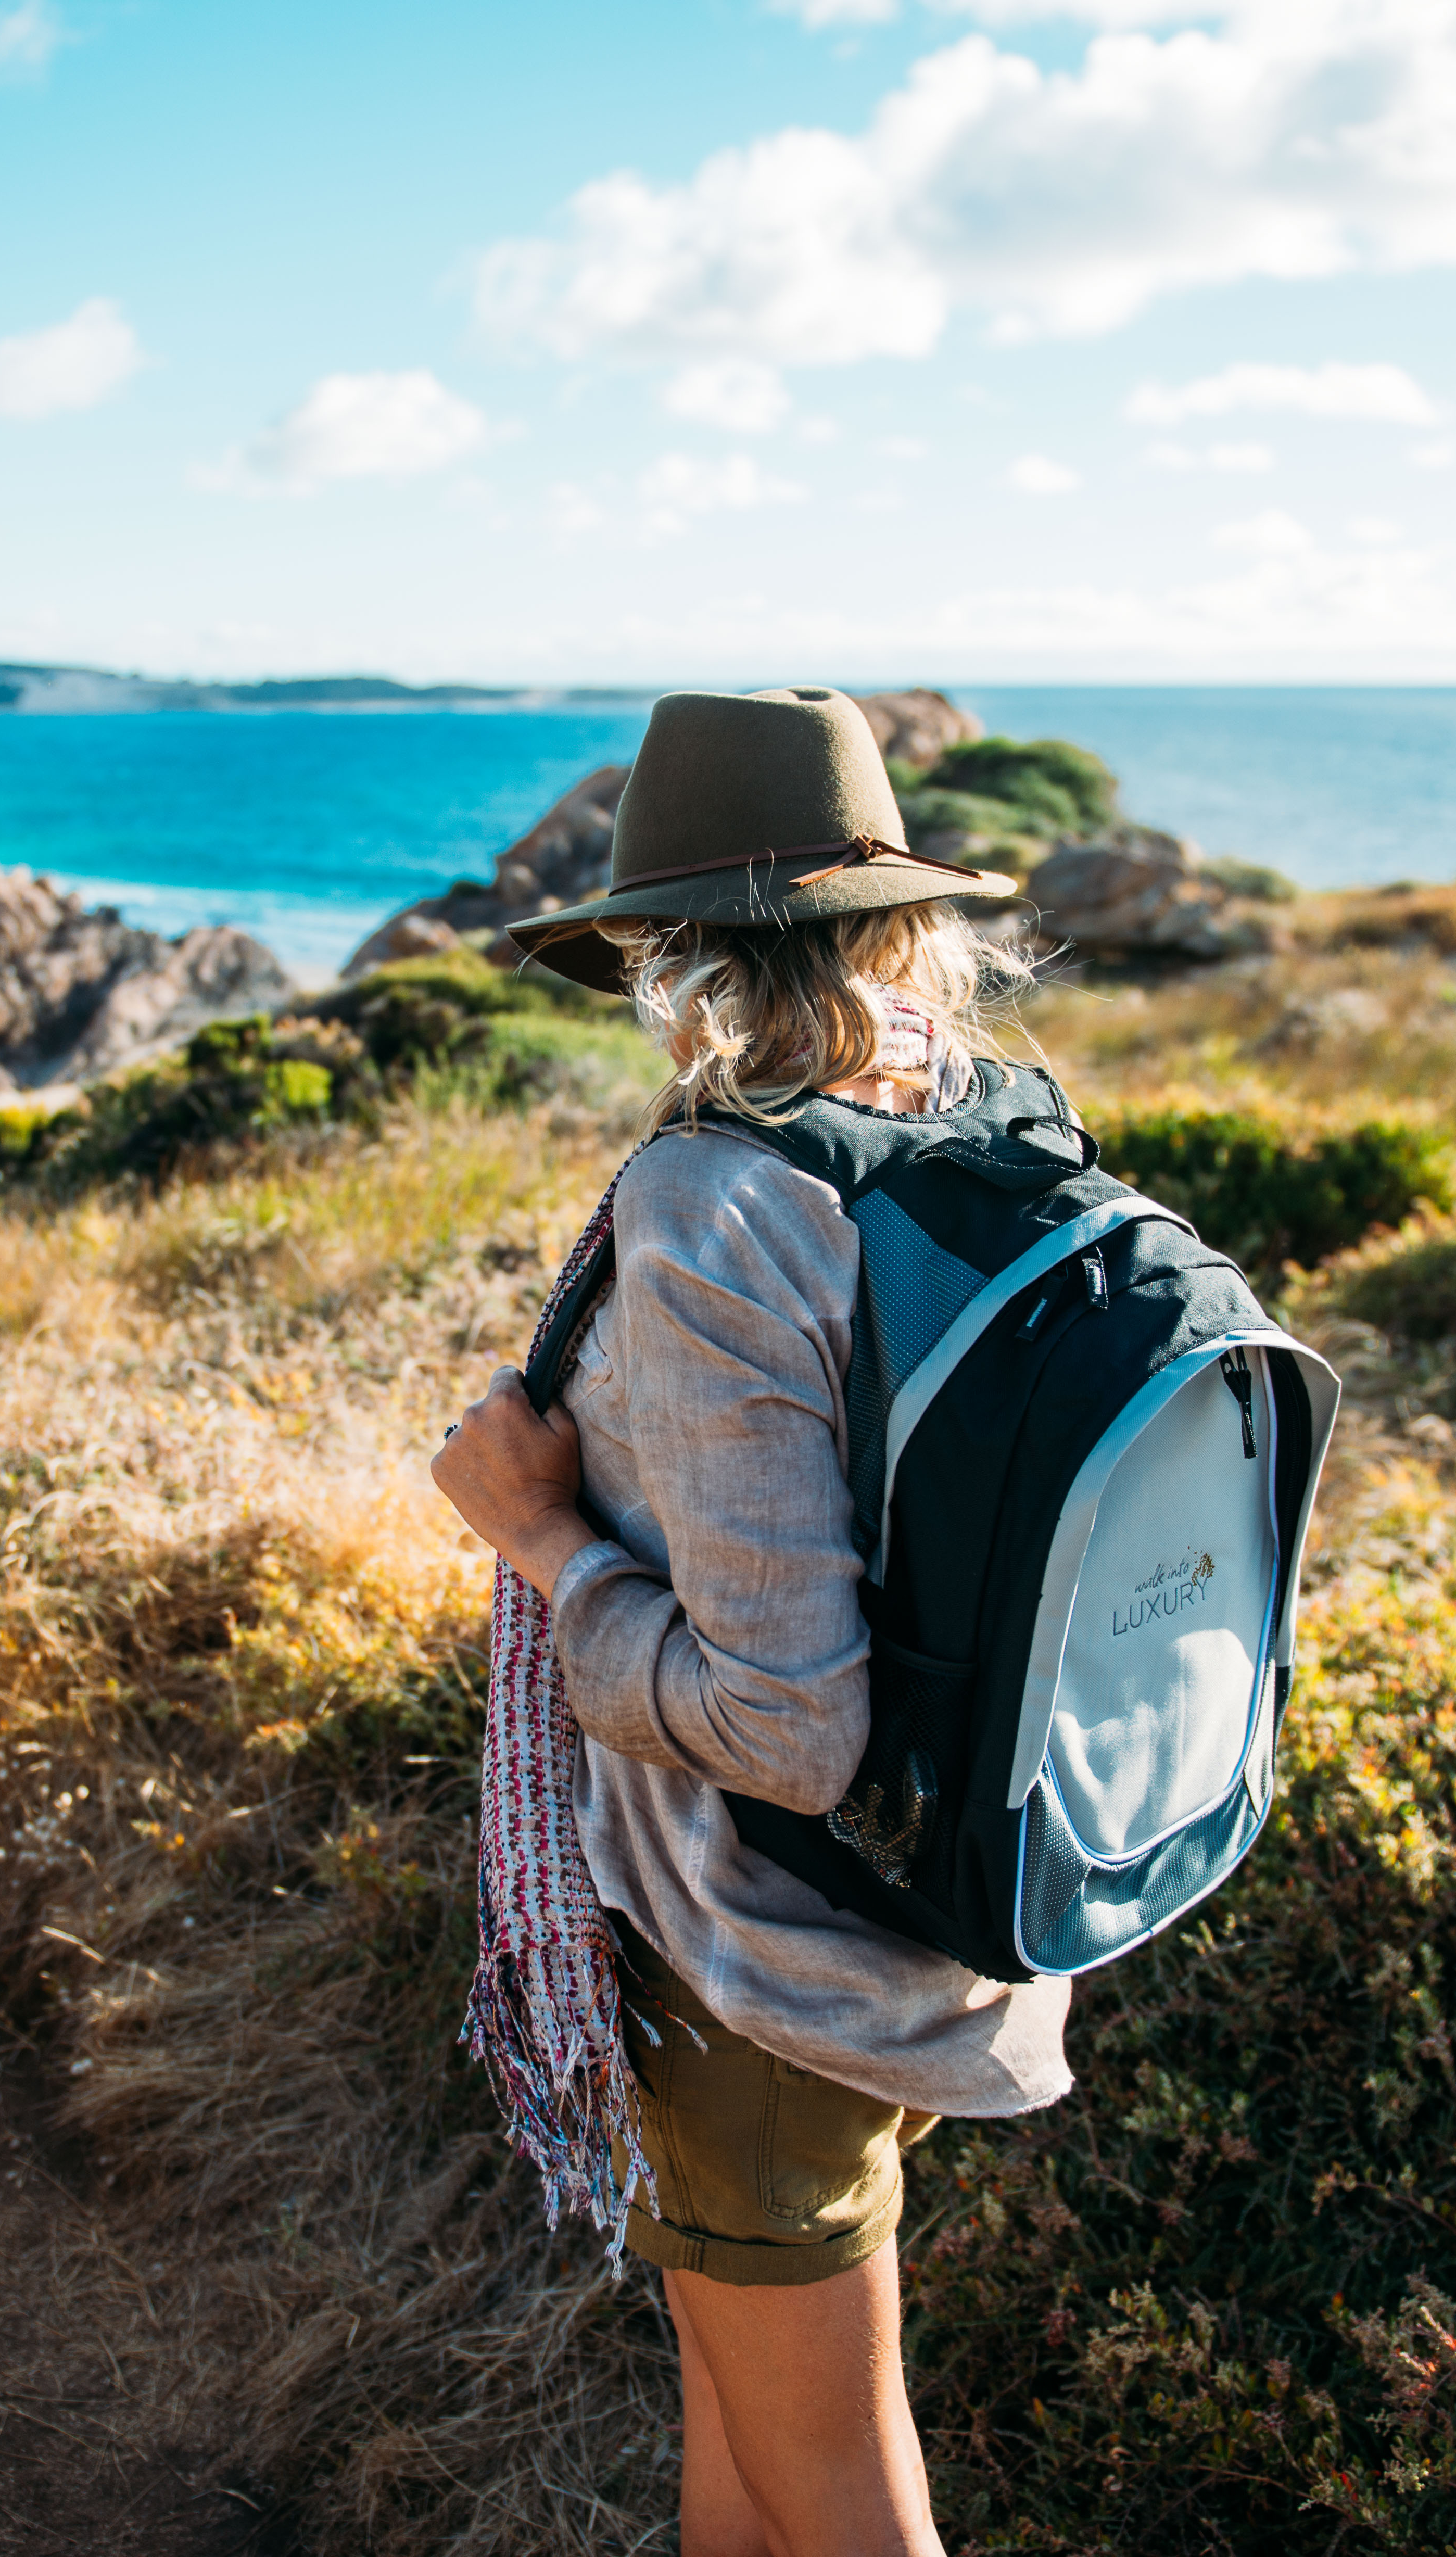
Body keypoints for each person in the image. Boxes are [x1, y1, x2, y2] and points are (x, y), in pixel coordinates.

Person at [433, 688, 1060, 2557]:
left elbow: (787, 1724)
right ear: (898, 929)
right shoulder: (987, 1139)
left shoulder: (720, 1205)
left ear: (676, 954)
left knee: (849, 2504)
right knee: (745, 2434)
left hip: (759, 1964)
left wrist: (544, 1538)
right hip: (926, 1912)